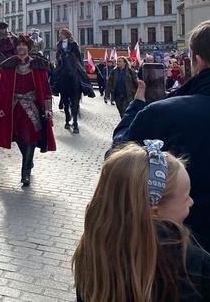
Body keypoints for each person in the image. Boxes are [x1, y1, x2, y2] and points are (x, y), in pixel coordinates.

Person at [112, 20, 210, 251]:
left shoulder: (162, 113)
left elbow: (118, 157)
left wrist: (137, 105)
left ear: (196, 61)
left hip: (179, 249)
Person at [72, 141, 210, 301]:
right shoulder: (192, 265)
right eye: (186, 197)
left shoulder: (94, 249)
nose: (191, 202)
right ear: (155, 213)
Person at [0, 34, 55, 187]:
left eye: (24, 45)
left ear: (28, 48)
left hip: (32, 107)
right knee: (20, 139)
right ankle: (29, 160)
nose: (21, 48)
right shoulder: (8, 65)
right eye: (19, 45)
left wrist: (48, 109)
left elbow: (46, 89)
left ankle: (25, 173)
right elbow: (1, 89)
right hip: (14, 108)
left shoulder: (38, 65)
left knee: (30, 138)